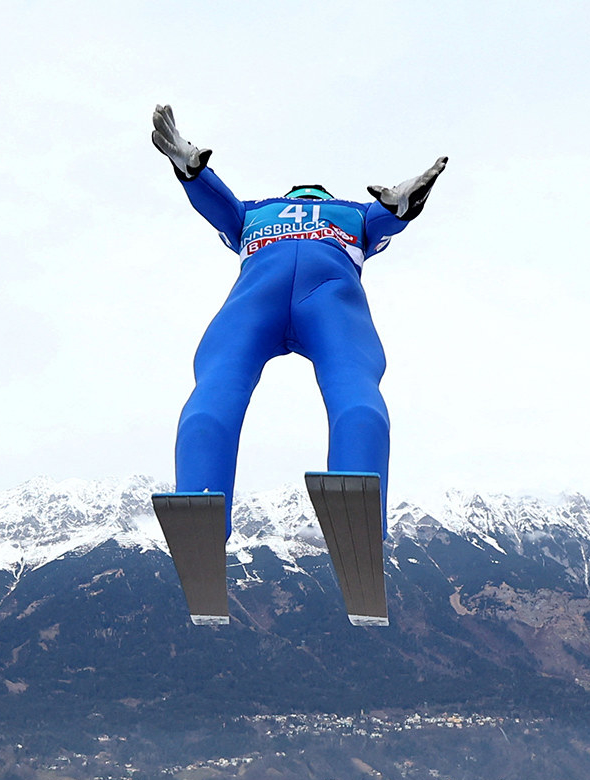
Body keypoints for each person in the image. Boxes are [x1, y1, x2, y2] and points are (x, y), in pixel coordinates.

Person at [151, 105, 444, 528]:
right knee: (353, 386)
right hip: (329, 299)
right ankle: (356, 482)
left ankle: (198, 491)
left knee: (217, 383)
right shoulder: (355, 213)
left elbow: (221, 206)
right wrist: (402, 206)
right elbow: (388, 215)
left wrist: (191, 171)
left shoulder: (256, 211)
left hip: (255, 300)